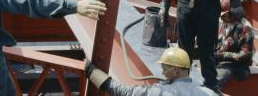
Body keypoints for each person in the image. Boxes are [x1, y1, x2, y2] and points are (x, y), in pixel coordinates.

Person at [85, 47, 217, 95]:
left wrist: (92, 72)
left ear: (176, 69)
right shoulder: (208, 93)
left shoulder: (161, 92)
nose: (163, 73)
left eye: (164, 69)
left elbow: (125, 92)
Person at [215, 0, 254, 88]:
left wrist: (223, 55)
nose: (222, 18)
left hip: (236, 64)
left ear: (234, 13)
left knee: (216, 79)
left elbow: (245, 55)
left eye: (225, 15)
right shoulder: (224, 23)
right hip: (218, 59)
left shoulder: (245, 28)